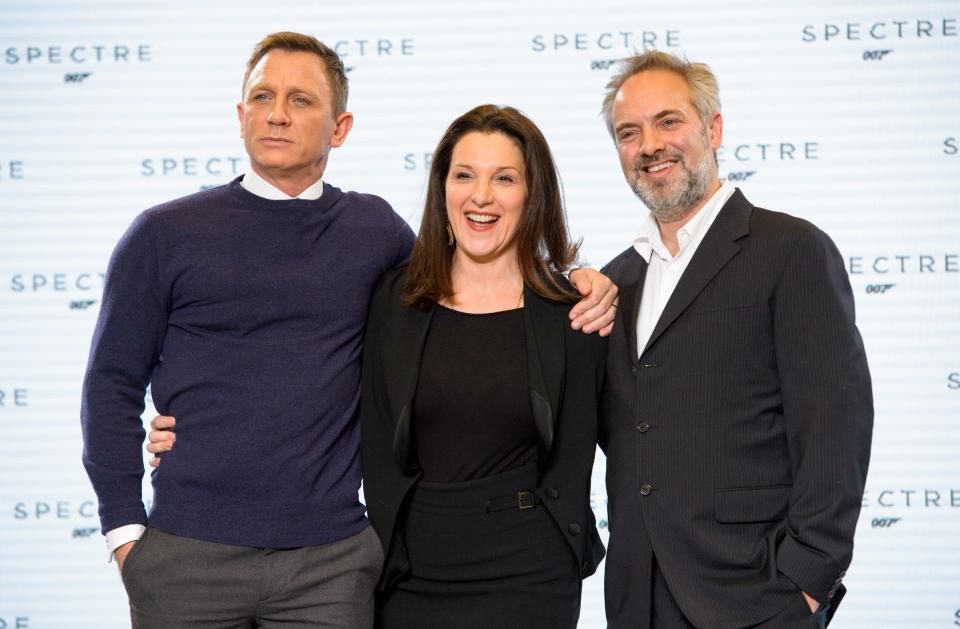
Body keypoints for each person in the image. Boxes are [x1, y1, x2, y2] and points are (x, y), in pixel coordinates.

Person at [81, 32, 616, 628]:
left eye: (301, 100)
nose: (277, 114)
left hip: (332, 564)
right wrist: (127, 536)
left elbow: (469, 280)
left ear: (341, 127)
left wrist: (580, 277)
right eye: (262, 97)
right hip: (187, 553)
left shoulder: (373, 231)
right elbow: (110, 386)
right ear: (239, 116)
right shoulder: (162, 234)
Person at [598, 51, 874, 628]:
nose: (650, 145)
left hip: (757, 595)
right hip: (637, 598)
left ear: (713, 128)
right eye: (630, 132)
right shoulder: (614, 283)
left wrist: (806, 581)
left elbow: (834, 426)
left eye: (668, 121)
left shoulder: (791, 249)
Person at [361, 105, 606, 628]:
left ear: (532, 193)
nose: (481, 196)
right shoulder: (392, 302)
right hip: (408, 572)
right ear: (442, 187)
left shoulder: (575, 313)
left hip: (529, 574)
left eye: (505, 179)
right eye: (464, 175)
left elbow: (641, 433)